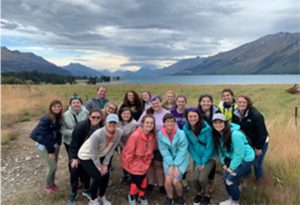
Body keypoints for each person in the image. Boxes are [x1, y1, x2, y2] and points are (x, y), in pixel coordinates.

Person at [78, 114, 123, 205]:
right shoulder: (97, 134)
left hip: (101, 154)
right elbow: (93, 153)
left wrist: (105, 164)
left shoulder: (119, 132)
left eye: (115, 123)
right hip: (86, 155)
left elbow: (112, 149)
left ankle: (101, 196)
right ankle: (93, 199)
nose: (112, 125)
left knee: (106, 176)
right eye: (110, 122)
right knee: (98, 177)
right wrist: (99, 166)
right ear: (106, 123)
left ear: (117, 124)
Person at [212, 113, 254, 205]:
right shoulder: (218, 134)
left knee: (229, 180)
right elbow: (221, 152)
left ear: (225, 123)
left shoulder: (235, 134)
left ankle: (235, 202)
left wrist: (231, 168)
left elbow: (239, 154)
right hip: (233, 159)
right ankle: (231, 199)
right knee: (225, 177)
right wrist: (224, 164)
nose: (218, 125)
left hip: (246, 159)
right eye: (215, 122)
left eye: (220, 122)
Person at [67, 109, 104, 205]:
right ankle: (73, 192)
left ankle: (87, 189)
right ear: (89, 117)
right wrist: (74, 157)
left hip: (92, 154)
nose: (95, 119)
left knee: (88, 171)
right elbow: (74, 143)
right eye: (93, 117)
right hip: (79, 152)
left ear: (101, 118)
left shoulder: (103, 127)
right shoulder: (81, 126)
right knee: (74, 169)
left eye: (98, 117)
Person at [232, 95, 269, 183]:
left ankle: (260, 183)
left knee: (257, 164)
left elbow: (262, 132)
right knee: (247, 161)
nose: (242, 104)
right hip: (247, 143)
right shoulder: (235, 113)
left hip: (260, 142)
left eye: (244, 102)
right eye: (240, 102)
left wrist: (258, 147)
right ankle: (246, 182)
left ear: (248, 103)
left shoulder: (255, 115)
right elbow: (235, 127)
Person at [121, 115, 157, 205]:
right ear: (142, 124)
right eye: (147, 123)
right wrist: (130, 165)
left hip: (145, 162)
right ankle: (132, 194)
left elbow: (151, 149)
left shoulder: (152, 135)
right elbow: (128, 152)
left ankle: (141, 195)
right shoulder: (135, 136)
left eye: (151, 123)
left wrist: (148, 160)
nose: (149, 125)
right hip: (134, 162)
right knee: (137, 180)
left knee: (144, 180)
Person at [30, 100, 63, 193]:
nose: (57, 108)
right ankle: (48, 186)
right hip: (44, 146)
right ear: (50, 107)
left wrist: (59, 143)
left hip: (54, 145)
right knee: (52, 167)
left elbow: (58, 131)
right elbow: (46, 136)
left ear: (61, 107)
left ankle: (52, 184)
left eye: (58, 106)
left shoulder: (59, 117)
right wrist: (51, 151)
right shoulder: (46, 118)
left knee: (54, 166)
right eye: (54, 106)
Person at [138, 96, 169, 194]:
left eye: (157, 103)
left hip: (161, 144)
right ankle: (150, 183)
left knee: (158, 164)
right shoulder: (148, 111)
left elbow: (172, 127)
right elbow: (139, 124)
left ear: (161, 102)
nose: (155, 105)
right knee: (149, 164)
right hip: (148, 143)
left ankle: (161, 185)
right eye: (153, 103)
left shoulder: (167, 113)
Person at [183, 110, 215, 205]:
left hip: (209, 157)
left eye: (195, 116)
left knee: (201, 178)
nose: (192, 118)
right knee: (195, 178)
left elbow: (210, 147)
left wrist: (203, 161)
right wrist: (198, 160)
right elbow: (190, 146)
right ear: (187, 118)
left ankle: (207, 194)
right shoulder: (186, 128)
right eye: (190, 116)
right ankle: (199, 193)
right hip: (197, 158)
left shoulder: (207, 129)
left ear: (199, 117)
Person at [157, 113, 189, 205]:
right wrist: (171, 164)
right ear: (164, 123)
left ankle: (180, 196)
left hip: (181, 159)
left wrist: (175, 164)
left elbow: (182, 150)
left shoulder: (181, 133)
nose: (170, 123)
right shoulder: (160, 134)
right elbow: (163, 150)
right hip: (168, 160)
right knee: (167, 180)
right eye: (168, 121)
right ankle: (170, 197)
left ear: (175, 123)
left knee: (175, 181)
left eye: (172, 121)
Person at [61, 95, 89, 168]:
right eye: (74, 103)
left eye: (78, 102)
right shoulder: (65, 115)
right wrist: (74, 132)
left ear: (81, 104)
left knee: (83, 158)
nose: (76, 104)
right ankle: (74, 175)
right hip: (69, 142)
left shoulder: (86, 113)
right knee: (72, 159)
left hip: (83, 141)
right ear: (70, 104)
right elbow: (62, 130)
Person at [118, 107, 138, 184]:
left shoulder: (134, 123)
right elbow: (117, 136)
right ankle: (125, 175)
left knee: (131, 160)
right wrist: (123, 146)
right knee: (123, 160)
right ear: (120, 114)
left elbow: (134, 137)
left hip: (132, 145)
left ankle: (132, 176)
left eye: (128, 114)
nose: (126, 115)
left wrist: (129, 147)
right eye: (124, 114)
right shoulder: (118, 123)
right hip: (121, 144)